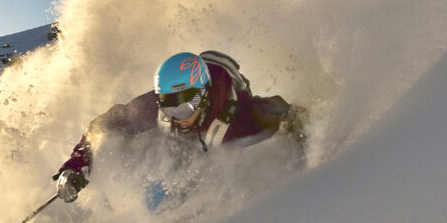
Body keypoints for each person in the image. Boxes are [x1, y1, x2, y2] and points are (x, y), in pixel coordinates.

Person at [53, 50, 304, 206]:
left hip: (215, 134)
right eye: (168, 108)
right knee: (155, 201)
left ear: (203, 97)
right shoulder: (161, 107)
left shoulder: (243, 121)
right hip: (185, 144)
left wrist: (306, 141)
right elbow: (104, 124)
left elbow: (286, 113)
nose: (177, 118)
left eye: (183, 109)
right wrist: (76, 165)